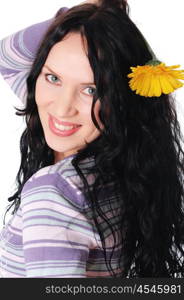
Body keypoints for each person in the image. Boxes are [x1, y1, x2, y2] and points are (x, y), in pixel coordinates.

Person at [0, 0, 184, 278]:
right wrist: (94, 15)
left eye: (91, 90)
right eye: (53, 78)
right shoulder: (123, 166)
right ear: (38, 74)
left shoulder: (54, 191)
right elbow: (8, 58)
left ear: (122, 100)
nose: (62, 108)